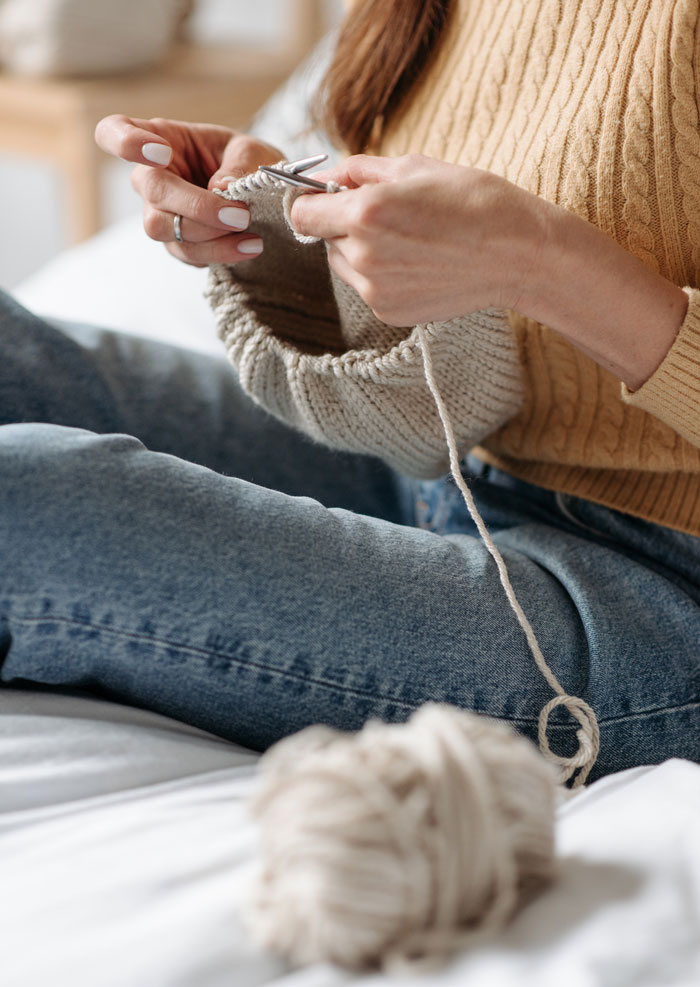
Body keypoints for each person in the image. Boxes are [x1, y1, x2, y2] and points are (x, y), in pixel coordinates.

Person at [1, 0, 699, 783]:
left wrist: (540, 257)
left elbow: (522, 256)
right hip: (454, 478)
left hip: (656, 591)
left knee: (25, 504)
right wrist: (284, 224)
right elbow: (439, 403)